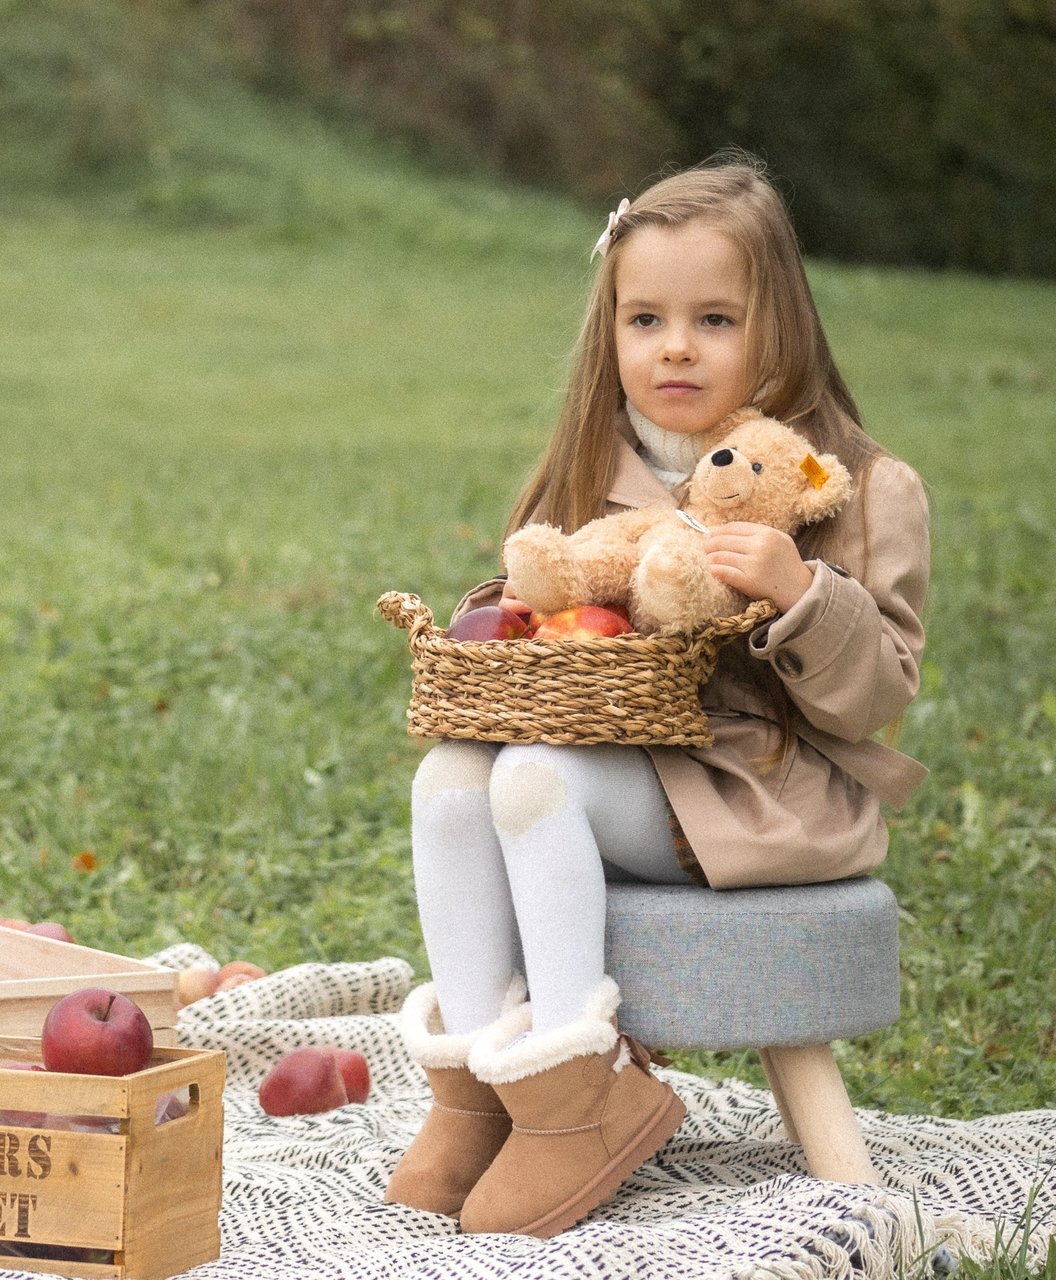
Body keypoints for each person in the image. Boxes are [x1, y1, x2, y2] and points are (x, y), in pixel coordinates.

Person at [383, 153, 930, 1237]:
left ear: (783, 324)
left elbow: (877, 695)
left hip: (756, 792)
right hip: (623, 770)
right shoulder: (591, 468)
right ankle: (480, 1091)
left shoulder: (857, 487)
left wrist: (801, 591)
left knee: (534, 780)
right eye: (645, 319)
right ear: (612, 331)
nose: (675, 346)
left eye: (716, 318)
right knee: (452, 777)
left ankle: (575, 1104)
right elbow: (542, 606)